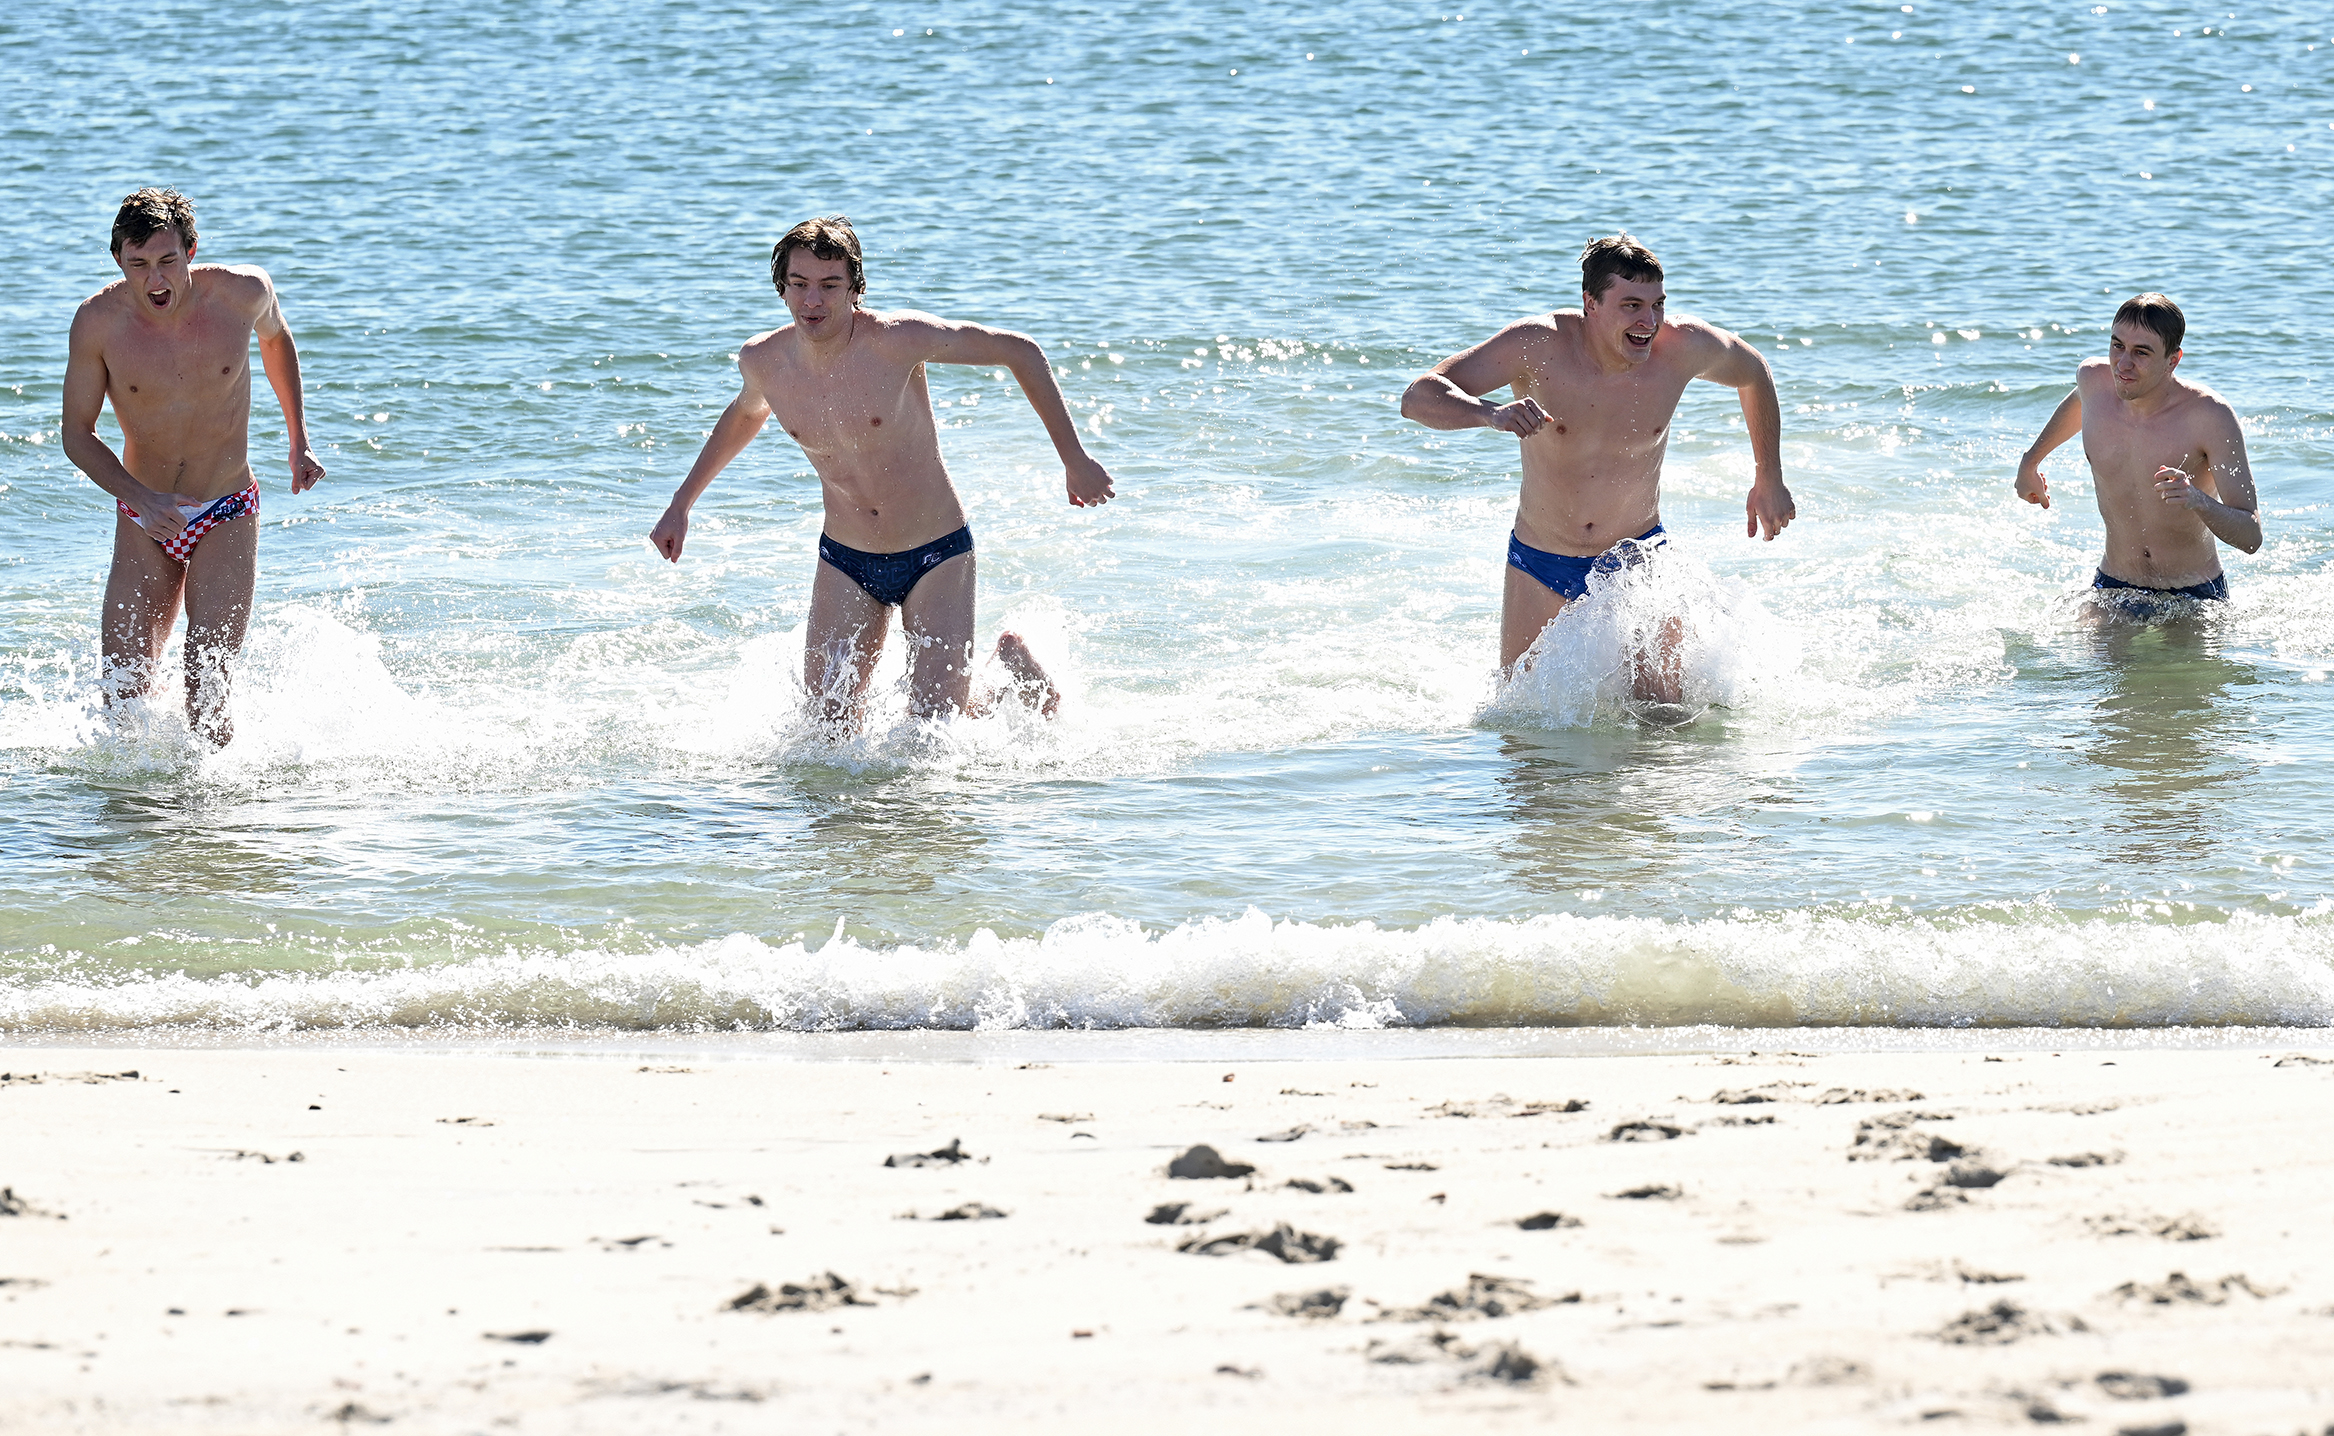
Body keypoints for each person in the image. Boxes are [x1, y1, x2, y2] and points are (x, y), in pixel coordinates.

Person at [650, 215, 1115, 725]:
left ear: (855, 288)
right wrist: (681, 505)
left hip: (935, 553)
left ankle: (1009, 670)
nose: (813, 301)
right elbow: (746, 413)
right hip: (846, 559)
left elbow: (1020, 352)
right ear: (781, 287)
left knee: (933, 733)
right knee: (827, 732)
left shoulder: (898, 341)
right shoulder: (764, 360)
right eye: (800, 285)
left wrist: (1074, 459)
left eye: (830, 286)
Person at [1399, 233, 1793, 704]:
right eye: (1631, 305)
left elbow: (1754, 373)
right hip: (1541, 561)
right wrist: (1491, 414)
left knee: (1662, 721)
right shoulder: (1537, 345)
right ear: (1591, 303)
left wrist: (1768, 474)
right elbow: (1418, 396)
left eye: (1657, 304)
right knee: (1521, 721)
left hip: (1638, 562)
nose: (1649, 322)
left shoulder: (1683, 347)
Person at [62, 188, 325, 747]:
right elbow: (76, 436)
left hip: (226, 506)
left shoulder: (243, 293)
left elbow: (277, 341)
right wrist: (142, 499)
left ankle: (210, 826)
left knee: (207, 690)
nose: (154, 279)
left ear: (191, 249)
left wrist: (298, 440)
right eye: (137, 265)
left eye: (166, 261)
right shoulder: (98, 323)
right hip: (145, 513)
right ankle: (139, 823)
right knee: (122, 696)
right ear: (118, 260)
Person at [2014, 292, 2261, 614]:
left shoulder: (2210, 417)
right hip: (2112, 586)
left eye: (2141, 352)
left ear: (2173, 360)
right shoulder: (2094, 381)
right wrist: (2030, 461)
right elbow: (2080, 402)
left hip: (2193, 596)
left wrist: (2198, 500)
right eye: (2117, 346)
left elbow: (2251, 536)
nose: (2123, 364)